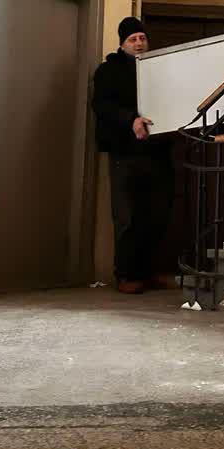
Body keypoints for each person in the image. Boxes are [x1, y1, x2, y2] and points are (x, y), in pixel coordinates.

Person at [92, 17, 174, 294]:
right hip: (124, 152)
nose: (139, 43)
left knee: (157, 214)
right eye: (133, 39)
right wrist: (131, 120)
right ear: (122, 43)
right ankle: (126, 275)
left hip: (157, 151)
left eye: (142, 38)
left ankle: (149, 273)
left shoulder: (158, 69)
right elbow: (102, 105)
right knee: (127, 215)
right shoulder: (107, 71)